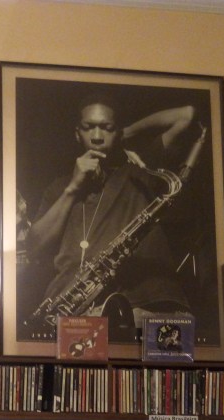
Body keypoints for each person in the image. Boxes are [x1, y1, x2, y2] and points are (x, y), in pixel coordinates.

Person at [23, 95, 197, 340]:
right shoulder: (59, 187)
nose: (97, 136)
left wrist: (124, 133)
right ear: (76, 134)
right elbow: (34, 247)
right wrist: (73, 188)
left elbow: (186, 115)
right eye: (88, 127)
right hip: (72, 310)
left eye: (106, 128)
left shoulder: (140, 170)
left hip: (147, 305)